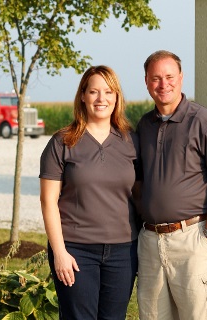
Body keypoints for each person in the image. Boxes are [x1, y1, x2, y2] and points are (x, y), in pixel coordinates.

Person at [135, 50, 207, 320]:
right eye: (155, 78)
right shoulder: (144, 125)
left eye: (169, 76)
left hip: (192, 239)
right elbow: (138, 181)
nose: (163, 84)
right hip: (150, 244)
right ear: (146, 81)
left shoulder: (204, 122)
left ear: (181, 78)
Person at [39, 65, 141, 320]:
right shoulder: (62, 142)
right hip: (76, 250)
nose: (101, 98)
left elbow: (140, 194)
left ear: (117, 97)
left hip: (122, 252)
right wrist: (59, 252)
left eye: (108, 92)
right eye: (93, 91)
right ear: (82, 95)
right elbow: (48, 201)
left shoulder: (132, 142)